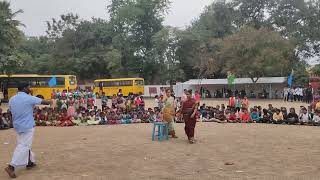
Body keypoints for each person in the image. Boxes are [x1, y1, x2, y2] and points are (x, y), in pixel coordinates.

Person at [5, 82, 52, 178]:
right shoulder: (28, 98)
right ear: (25, 88)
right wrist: (51, 101)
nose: (30, 89)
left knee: (24, 144)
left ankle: (30, 162)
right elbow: (44, 102)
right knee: (24, 146)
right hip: (27, 125)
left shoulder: (12, 99)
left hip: (17, 125)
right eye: (29, 87)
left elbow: (10, 111)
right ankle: (11, 166)